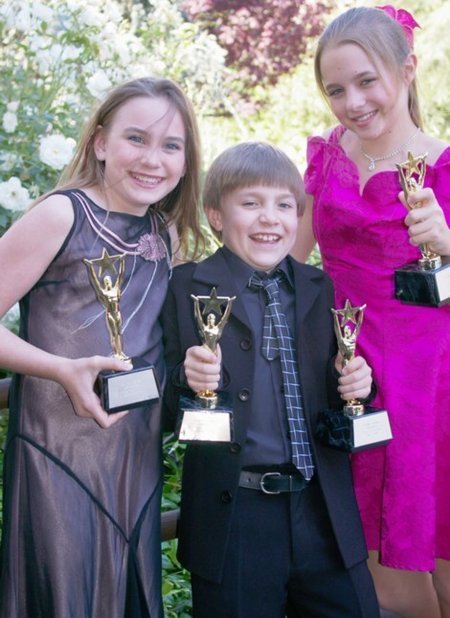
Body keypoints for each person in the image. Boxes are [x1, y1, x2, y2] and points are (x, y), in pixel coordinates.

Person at [0, 76, 203, 617]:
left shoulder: (165, 234)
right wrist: (61, 368)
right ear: (100, 143)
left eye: (170, 146)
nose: (152, 159)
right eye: (136, 138)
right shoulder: (61, 215)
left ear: (186, 161)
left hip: (134, 459)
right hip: (57, 452)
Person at [162, 141, 380, 617]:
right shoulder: (186, 288)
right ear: (217, 216)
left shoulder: (321, 288)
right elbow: (158, 405)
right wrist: (184, 376)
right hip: (235, 518)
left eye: (284, 205)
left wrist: (359, 385)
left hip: (323, 514)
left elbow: (342, 392)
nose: (270, 218)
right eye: (251, 203)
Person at [292, 6, 450, 617]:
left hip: (429, 380)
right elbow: (291, 259)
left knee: (435, 555)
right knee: (382, 572)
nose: (351, 101)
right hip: (352, 373)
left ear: (407, 69)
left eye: (365, 80)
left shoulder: (443, 164)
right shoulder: (327, 155)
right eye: (335, 89)